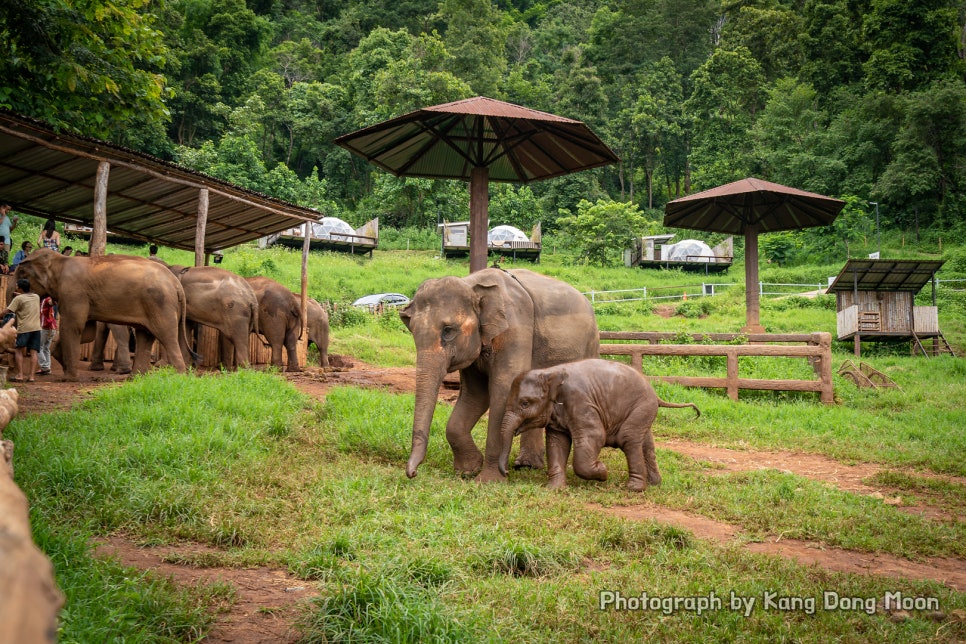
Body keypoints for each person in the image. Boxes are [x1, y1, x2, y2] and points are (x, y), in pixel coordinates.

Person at [3, 278, 41, 383]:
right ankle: (32, 377)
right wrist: (19, 295)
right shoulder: (36, 297)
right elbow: (27, 298)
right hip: (36, 328)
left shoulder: (18, 300)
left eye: (16, 286)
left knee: (18, 350)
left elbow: (8, 311)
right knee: (34, 352)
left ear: (19, 288)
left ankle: (20, 375)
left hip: (24, 328)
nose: (15, 287)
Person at [37, 295, 57, 376]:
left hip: (46, 328)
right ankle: (47, 368)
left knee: (39, 347)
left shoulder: (47, 300)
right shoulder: (43, 301)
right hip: (52, 328)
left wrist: (52, 300)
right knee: (46, 348)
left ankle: (45, 367)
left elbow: (50, 302)